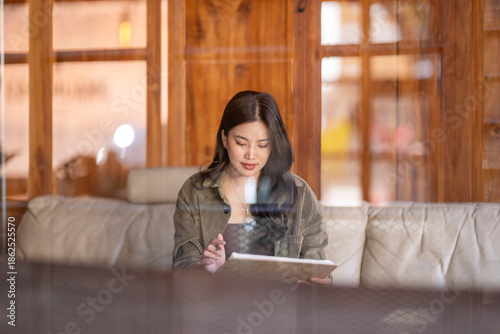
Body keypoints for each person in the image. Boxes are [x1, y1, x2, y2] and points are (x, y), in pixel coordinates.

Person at [172, 90, 330, 284]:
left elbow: (322, 275)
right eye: (241, 143)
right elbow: (182, 265)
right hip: (217, 307)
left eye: (263, 145)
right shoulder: (195, 192)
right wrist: (206, 269)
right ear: (224, 138)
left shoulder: (300, 192)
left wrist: (309, 280)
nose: (251, 155)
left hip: (279, 308)